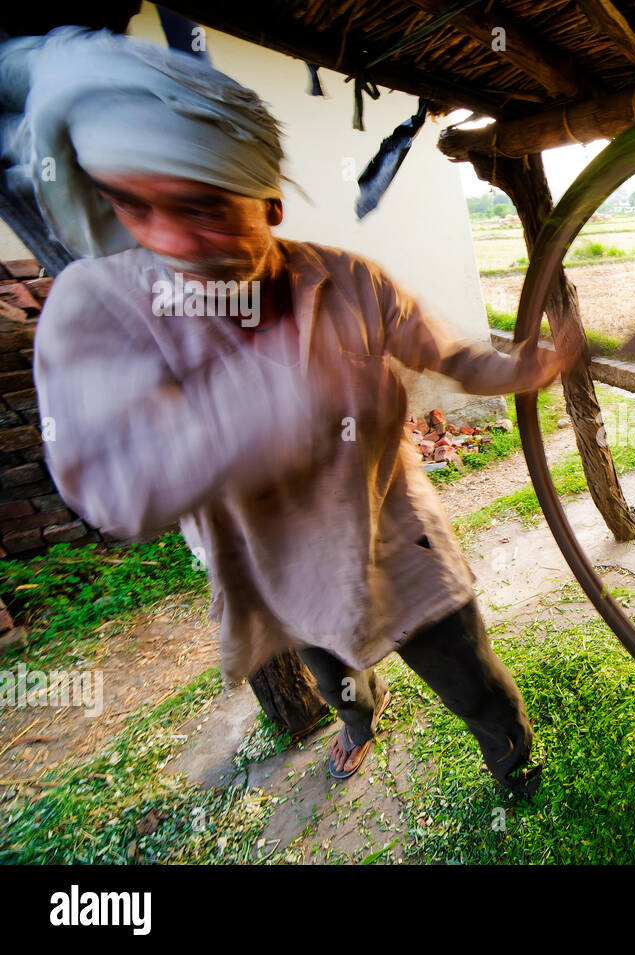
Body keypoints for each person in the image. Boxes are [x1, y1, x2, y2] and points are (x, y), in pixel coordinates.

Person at [5, 27, 574, 796]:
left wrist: (521, 367)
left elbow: (448, 353)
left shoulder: (347, 280)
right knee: (337, 676)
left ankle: (516, 763)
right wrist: (288, 402)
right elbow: (115, 488)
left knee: (473, 679)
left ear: (269, 199)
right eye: (138, 208)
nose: (176, 240)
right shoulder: (103, 309)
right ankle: (360, 724)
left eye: (205, 207)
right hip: (278, 569)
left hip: (395, 534)